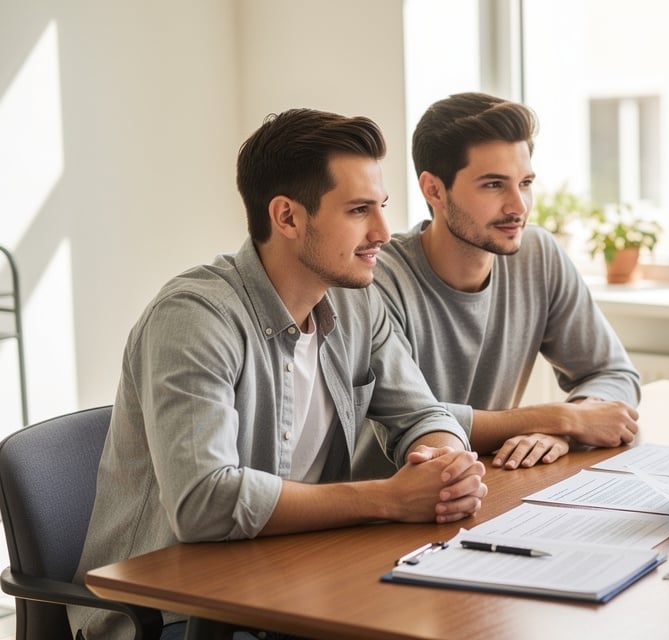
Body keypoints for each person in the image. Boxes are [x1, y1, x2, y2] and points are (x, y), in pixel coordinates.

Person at [70, 109, 488, 640]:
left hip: (292, 581)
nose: (384, 231)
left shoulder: (359, 305)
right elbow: (204, 502)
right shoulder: (194, 317)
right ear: (288, 217)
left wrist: (445, 465)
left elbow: (422, 413)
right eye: (359, 211)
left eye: (380, 208)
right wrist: (389, 497)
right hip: (167, 616)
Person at [365, 92, 641, 471]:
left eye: (525, 183)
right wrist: (565, 418)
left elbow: (612, 373)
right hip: (393, 510)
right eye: (494, 185)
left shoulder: (537, 254)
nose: (518, 206)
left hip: (490, 484)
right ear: (433, 189)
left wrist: (557, 431)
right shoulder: (378, 279)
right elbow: (412, 420)